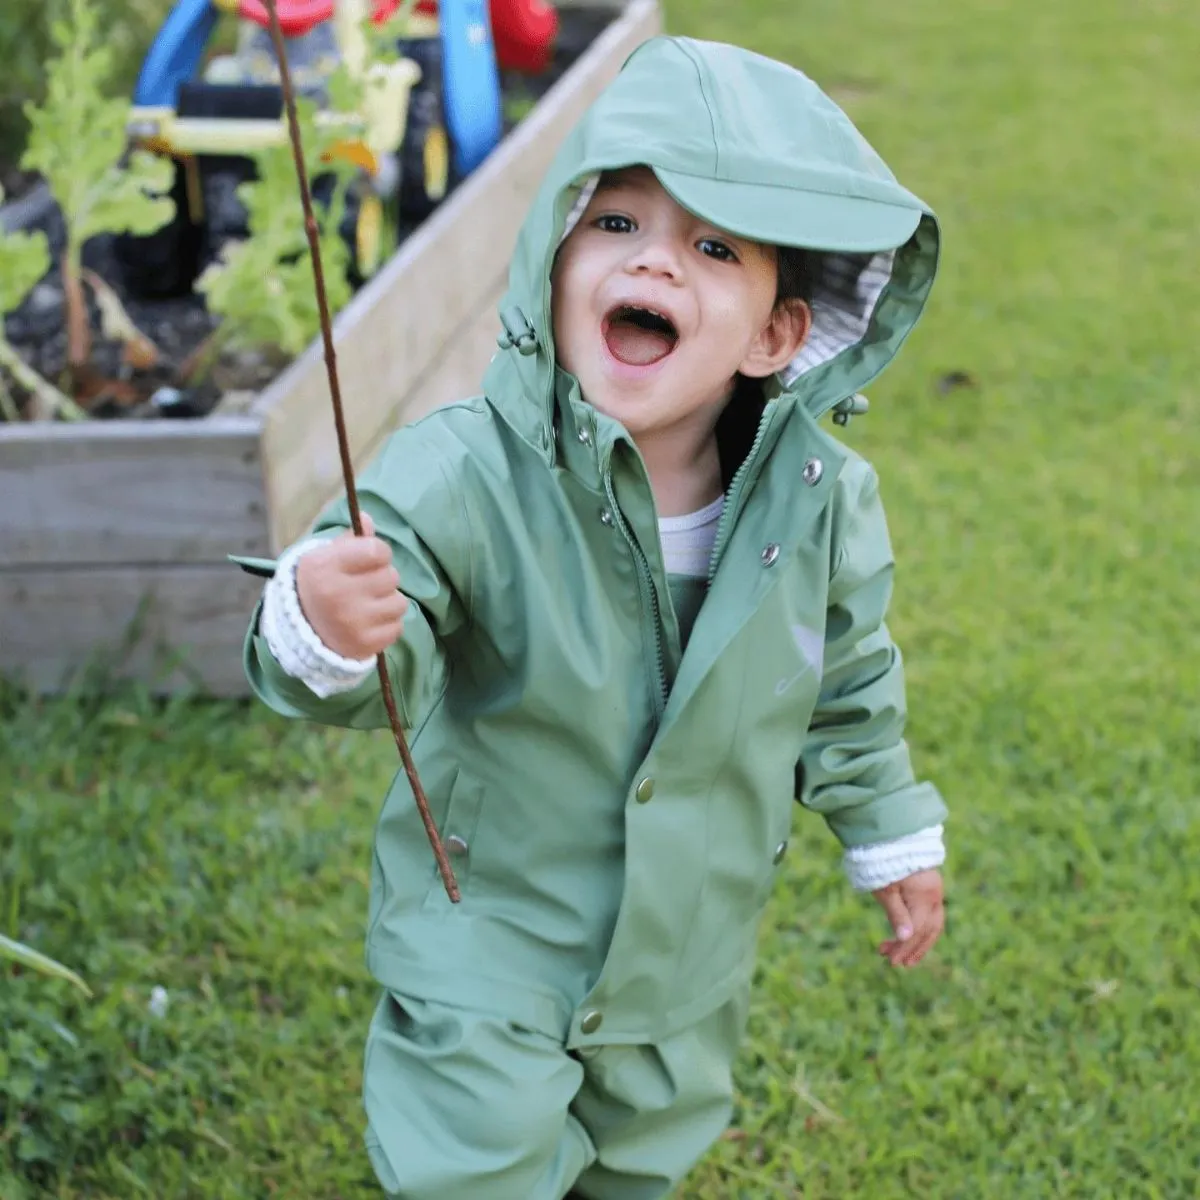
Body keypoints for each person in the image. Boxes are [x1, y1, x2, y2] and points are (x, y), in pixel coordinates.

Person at [238, 33, 948, 1200]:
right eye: (616, 224)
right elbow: (387, 652)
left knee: (639, 1157)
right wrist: (329, 619)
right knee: (477, 1165)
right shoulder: (466, 471)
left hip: (685, 950)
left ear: (779, 334)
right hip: (492, 930)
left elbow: (848, 684)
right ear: (551, 258)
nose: (655, 264)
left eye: (714, 246)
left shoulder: (823, 502)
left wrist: (888, 827)